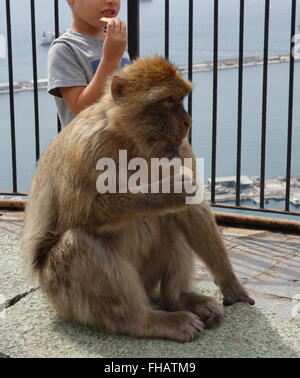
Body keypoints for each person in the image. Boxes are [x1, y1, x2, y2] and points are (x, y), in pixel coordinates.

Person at [47, 0, 130, 128]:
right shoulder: (65, 49)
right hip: (88, 146)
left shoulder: (115, 42)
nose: (111, 1)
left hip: (122, 145)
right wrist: (110, 60)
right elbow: (81, 111)